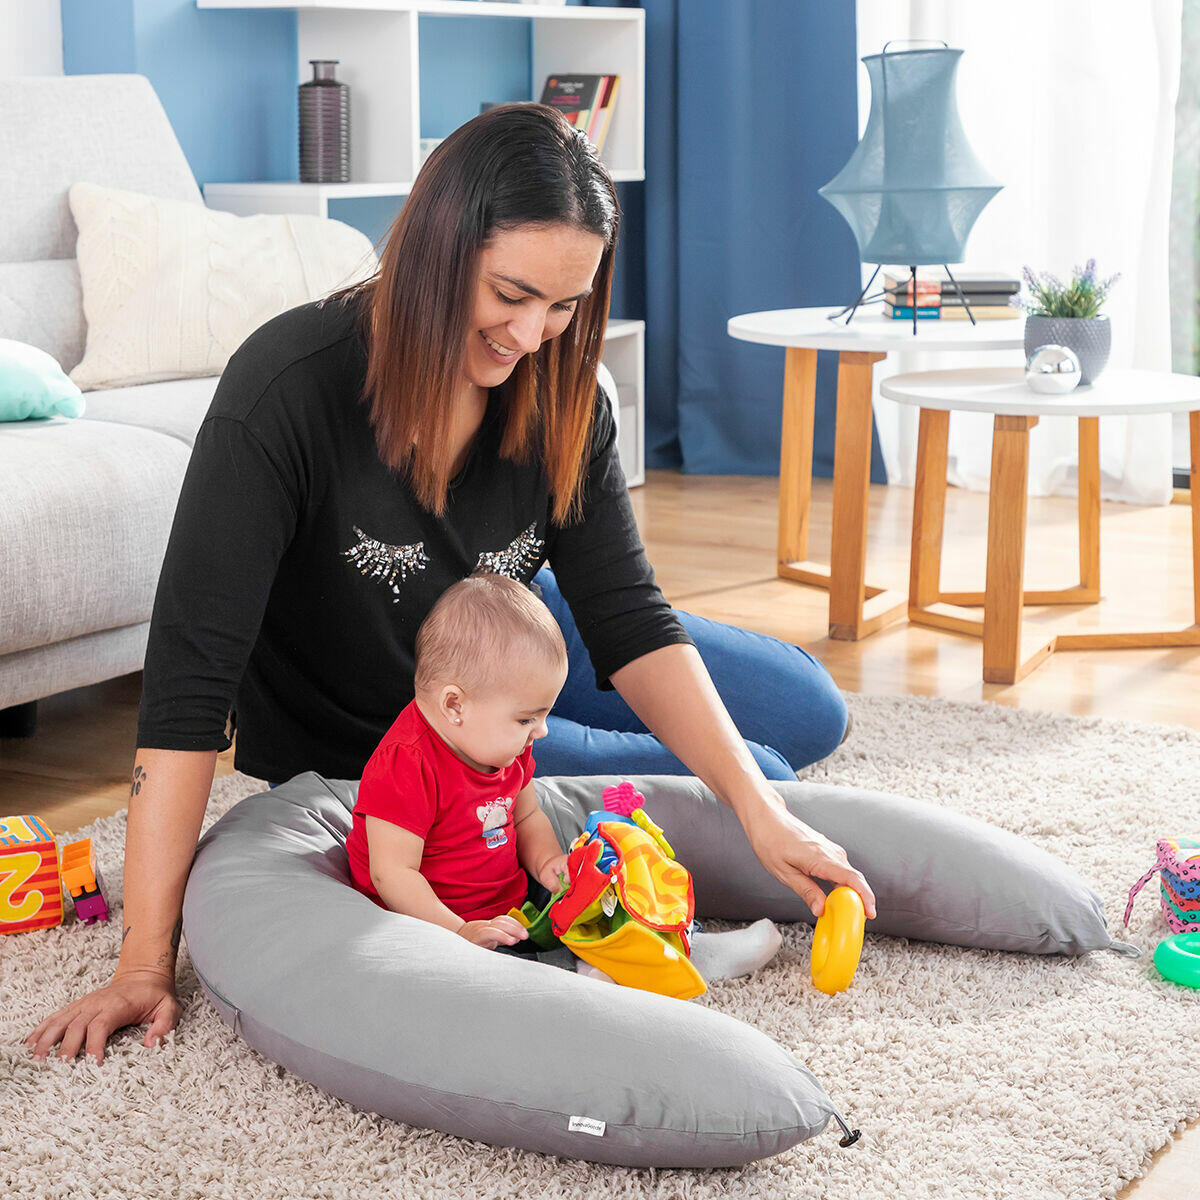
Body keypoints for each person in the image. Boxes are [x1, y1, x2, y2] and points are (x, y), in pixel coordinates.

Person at [25, 102, 875, 1065]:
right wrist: (143, 963)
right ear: (436, 250)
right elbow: (188, 685)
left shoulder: (561, 391)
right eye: (511, 294)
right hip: (418, 751)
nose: (532, 334)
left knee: (806, 712)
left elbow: (627, 618)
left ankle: (711, 778)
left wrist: (761, 824)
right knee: (751, 770)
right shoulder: (288, 389)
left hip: (514, 639)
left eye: (563, 306)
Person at [347, 572, 569, 953]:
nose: (542, 731)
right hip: (430, 928)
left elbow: (527, 816)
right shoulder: (406, 764)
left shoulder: (509, 749)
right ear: (455, 705)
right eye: (526, 719)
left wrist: (547, 861)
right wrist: (458, 931)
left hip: (507, 917)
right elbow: (392, 875)